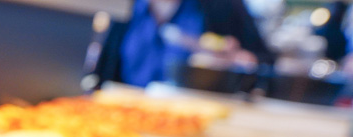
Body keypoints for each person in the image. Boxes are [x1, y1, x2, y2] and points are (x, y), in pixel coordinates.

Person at [95, 0, 273, 87]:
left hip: (196, 118)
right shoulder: (126, 6)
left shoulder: (221, 5)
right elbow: (102, 72)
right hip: (126, 112)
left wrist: (236, 62)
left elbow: (264, 61)